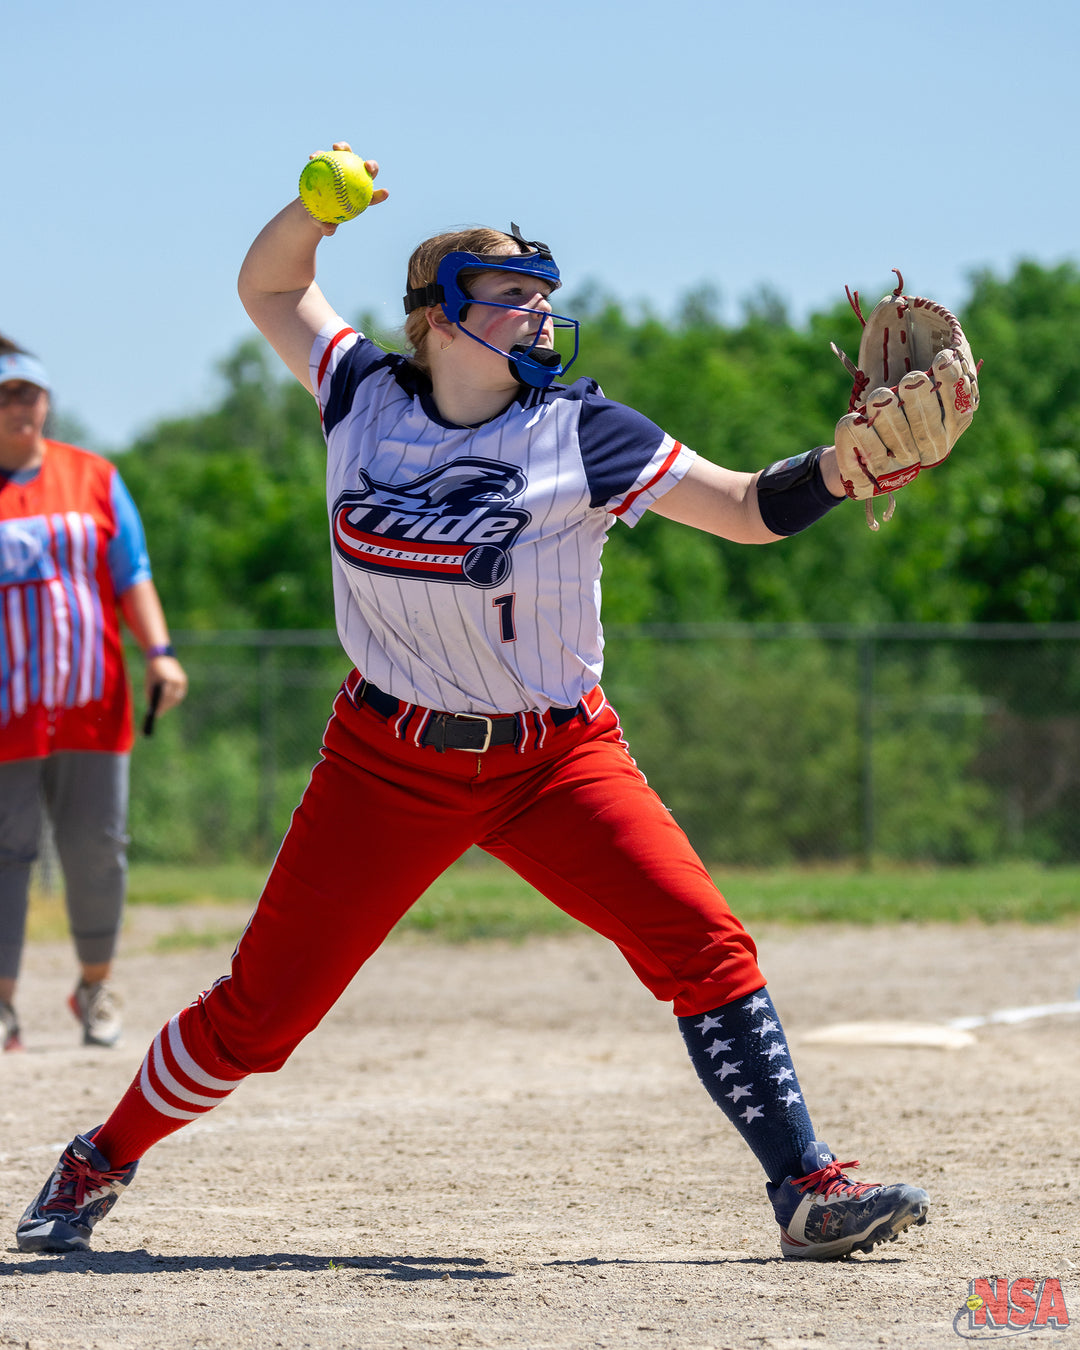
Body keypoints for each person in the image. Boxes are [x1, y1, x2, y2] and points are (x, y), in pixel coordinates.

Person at [16, 144, 968, 1261]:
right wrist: (313, 212)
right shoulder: (360, 393)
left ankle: (808, 1190)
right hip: (385, 761)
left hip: (555, 762)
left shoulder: (586, 430)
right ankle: (100, 1156)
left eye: (543, 296)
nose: (538, 314)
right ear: (438, 316)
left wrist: (837, 471)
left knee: (706, 948)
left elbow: (749, 510)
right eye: (512, 295)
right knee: (258, 1018)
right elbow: (269, 286)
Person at [0, 339, 188, 1052]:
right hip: (5, 709)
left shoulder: (93, 477)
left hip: (91, 700)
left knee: (97, 848)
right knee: (4, 852)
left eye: (29, 393)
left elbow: (131, 570)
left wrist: (160, 654)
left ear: (46, 401)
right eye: (5, 394)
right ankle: (4, 1006)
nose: (20, 406)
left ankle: (95, 986)